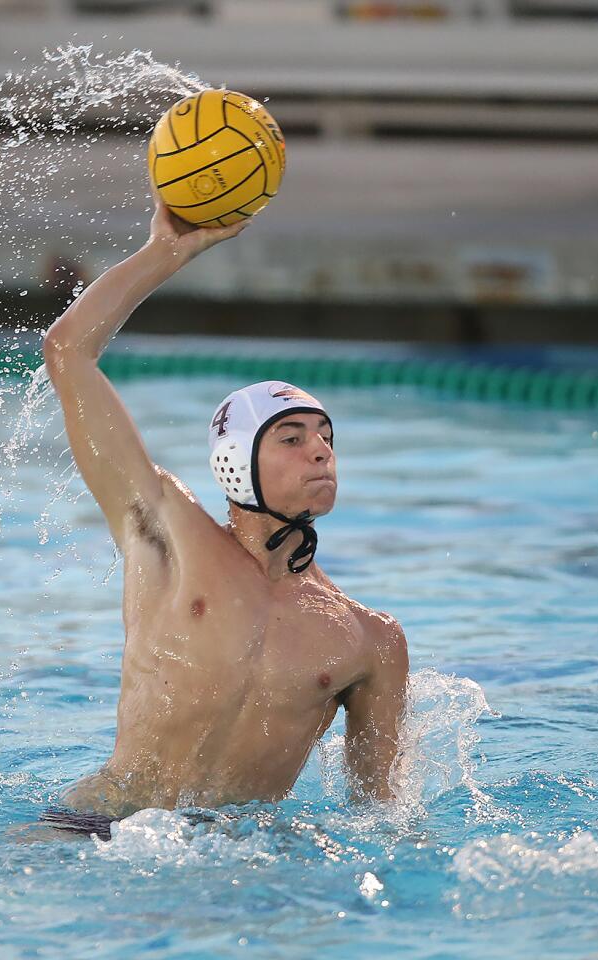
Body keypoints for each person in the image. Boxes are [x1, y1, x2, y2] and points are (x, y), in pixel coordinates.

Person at [34, 195, 409, 839]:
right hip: (97, 828)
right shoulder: (165, 531)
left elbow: (384, 820)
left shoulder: (370, 642)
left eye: (325, 436)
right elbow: (68, 351)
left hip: (239, 853)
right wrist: (167, 253)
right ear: (237, 464)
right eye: (291, 438)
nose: (320, 449)